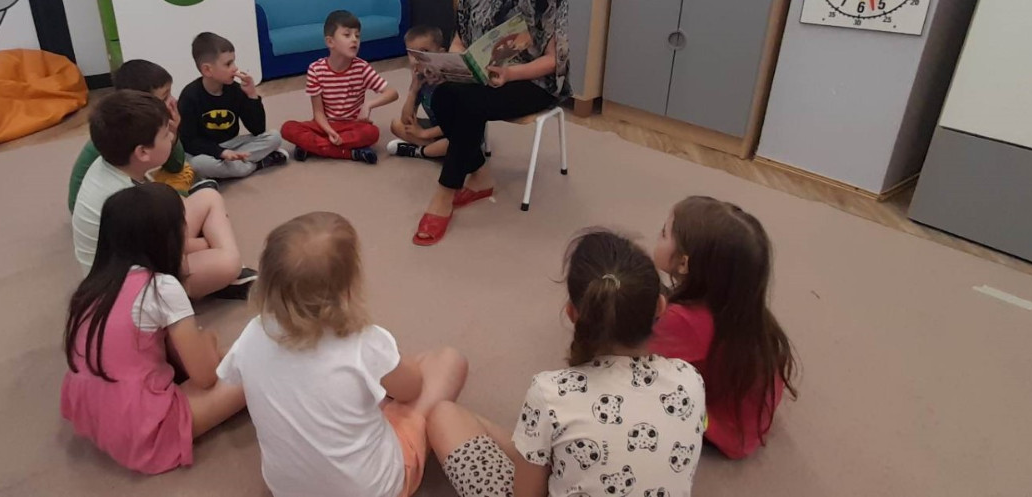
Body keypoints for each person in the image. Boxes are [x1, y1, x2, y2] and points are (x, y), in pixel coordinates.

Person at [425, 231, 706, 497]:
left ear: (572, 313)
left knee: (443, 416)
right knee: (539, 440)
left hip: (553, 444)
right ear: (660, 306)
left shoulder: (550, 392)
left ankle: (543, 448)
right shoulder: (691, 380)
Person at [217, 212, 469, 497]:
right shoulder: (364, 342)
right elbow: (412, 389)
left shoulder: (254, 332)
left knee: (373, 388)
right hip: (374, 489)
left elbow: (242, 377)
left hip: (286, 490)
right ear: (349, 285)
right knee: (448, 362)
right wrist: (391, 356)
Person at [415, 0, 570, 246]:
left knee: (469, 103)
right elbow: (461, 38)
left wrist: (510, 74)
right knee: (442, 95)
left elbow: (554, 60)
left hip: (534, 80)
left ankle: (444, 193)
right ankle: (481, 176)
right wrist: (450, 63)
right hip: (482, 75)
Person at [60, 184, 247, 474]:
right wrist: (208, 339)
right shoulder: (162, 287)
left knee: (217, 356)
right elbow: (206, 376)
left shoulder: (93, 286)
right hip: (141, 424)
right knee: (250, 367)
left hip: (95, 410)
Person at [649, 196, 797, 459]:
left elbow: (638, 358)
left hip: (721, 429)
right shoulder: (740, 304)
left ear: (683, 263)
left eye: (663, 233)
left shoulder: (684, 320)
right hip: (746, 415)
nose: (657, 235)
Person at [71, 91, 254, 299]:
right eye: (166, 135)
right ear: (142, 152)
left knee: (208, 196)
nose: (172, 137)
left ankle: (214, 267)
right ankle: (222, 277)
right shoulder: (127, 201)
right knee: (229, 263)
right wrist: (207, 244)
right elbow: (165, 252)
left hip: (138, 252)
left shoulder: (116, 164)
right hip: (127, 288)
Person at [67, 59, 215, 212]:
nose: (174, 101)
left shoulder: (135, 127)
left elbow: (175, 166)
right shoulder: (115, 137)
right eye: (165, 97)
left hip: (118, 195)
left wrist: (173, 132)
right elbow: (172, 166)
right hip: (108, 210)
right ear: (144, 104)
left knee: (183, 173)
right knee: (182, 195)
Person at [279, 11, 400, 164]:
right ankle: (351, 153)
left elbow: (392, 92)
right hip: (324, 125)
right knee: (288, 128)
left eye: (357, 35)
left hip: (352, 126)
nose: (354, 39)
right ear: (330, 42)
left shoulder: (362, 68)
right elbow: (318, 112)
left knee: (372, 133)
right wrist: (330, 131)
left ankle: (312, 147)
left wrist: (368, 105)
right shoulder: (316, 69)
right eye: (347, 35)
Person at [178, 32, 289, 180]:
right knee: (197, 164)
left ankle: (231, 168)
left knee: (274, 137)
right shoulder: (189, 96)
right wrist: (221, 153)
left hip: (233, 144)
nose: (235, 68)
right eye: (228, 64)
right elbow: (189, 141)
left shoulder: (235, 90)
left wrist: (252, 96)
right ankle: (256, 164)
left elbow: (258, 129)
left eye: (234, 62)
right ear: (207, 70)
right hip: (204, 150)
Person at [387, 25, 450, 160]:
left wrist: (423, 134)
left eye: (424, 51)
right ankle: (434, 150)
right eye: (412, 53)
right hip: (436, 129)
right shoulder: (421, 80)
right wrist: (413, 90)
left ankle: (419, 151)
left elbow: (455, 123)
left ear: (441, 53)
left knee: (453, 142)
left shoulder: (449, 81)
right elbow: (406, 120)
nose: (417, 58)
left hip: (458, 130)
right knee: (396, 124)